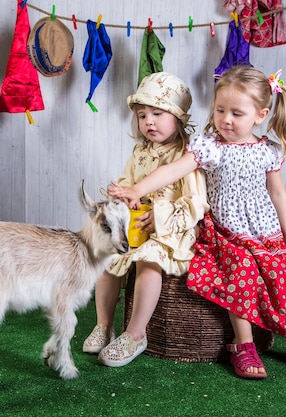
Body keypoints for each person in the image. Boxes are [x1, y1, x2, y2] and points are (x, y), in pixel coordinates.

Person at [109, 65, 286, 378]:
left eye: (237, 114)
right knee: (239, 277)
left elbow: (279, 194)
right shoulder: (209, 146)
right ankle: (243, 345)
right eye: (220, 110)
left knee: (282, 280)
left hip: (265, 232)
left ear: (260, 114)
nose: (226, 119)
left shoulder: (268, 150)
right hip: (227, 234)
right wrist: (136, 189)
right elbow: (171, 171)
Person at [83, 72, 209, 367]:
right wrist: (125, 195)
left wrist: (160, 216)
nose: (148, 121)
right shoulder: (140, 152)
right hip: (137, 225)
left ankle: (136, 334)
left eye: (157, 113)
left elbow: (195, 203)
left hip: (171, 230)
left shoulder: (187, 156)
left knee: (148, 259)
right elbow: (131, 182)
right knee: (108, 257)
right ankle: (104, 325)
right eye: (142, 115)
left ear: (178, 118)